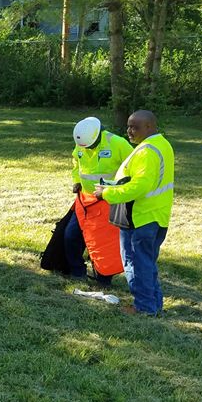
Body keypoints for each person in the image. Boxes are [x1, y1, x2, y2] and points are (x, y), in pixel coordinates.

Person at [95, 110, 175, 315]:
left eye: (135, 127)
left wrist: (107, 193)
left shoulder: (147, 151)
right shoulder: (162, 145)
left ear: (149, 127)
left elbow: (140, 187)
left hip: (141, 218)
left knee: (136, 263)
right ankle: (154, 305)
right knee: (147, 263)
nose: (129, 131)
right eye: (129, 126)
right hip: (156, 216)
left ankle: (144, 307)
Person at [65, 116, 133, 285]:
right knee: (70, 236)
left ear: (99, 135)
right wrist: (77, 181)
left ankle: (104, 277)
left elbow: (133, 168)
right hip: (85, 201)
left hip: (108, 201)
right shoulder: (82, 143)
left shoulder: (118, 143)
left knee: (105, 242)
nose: (87, 149)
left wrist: (119, 189)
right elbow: (76, 162)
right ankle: (77, 271)